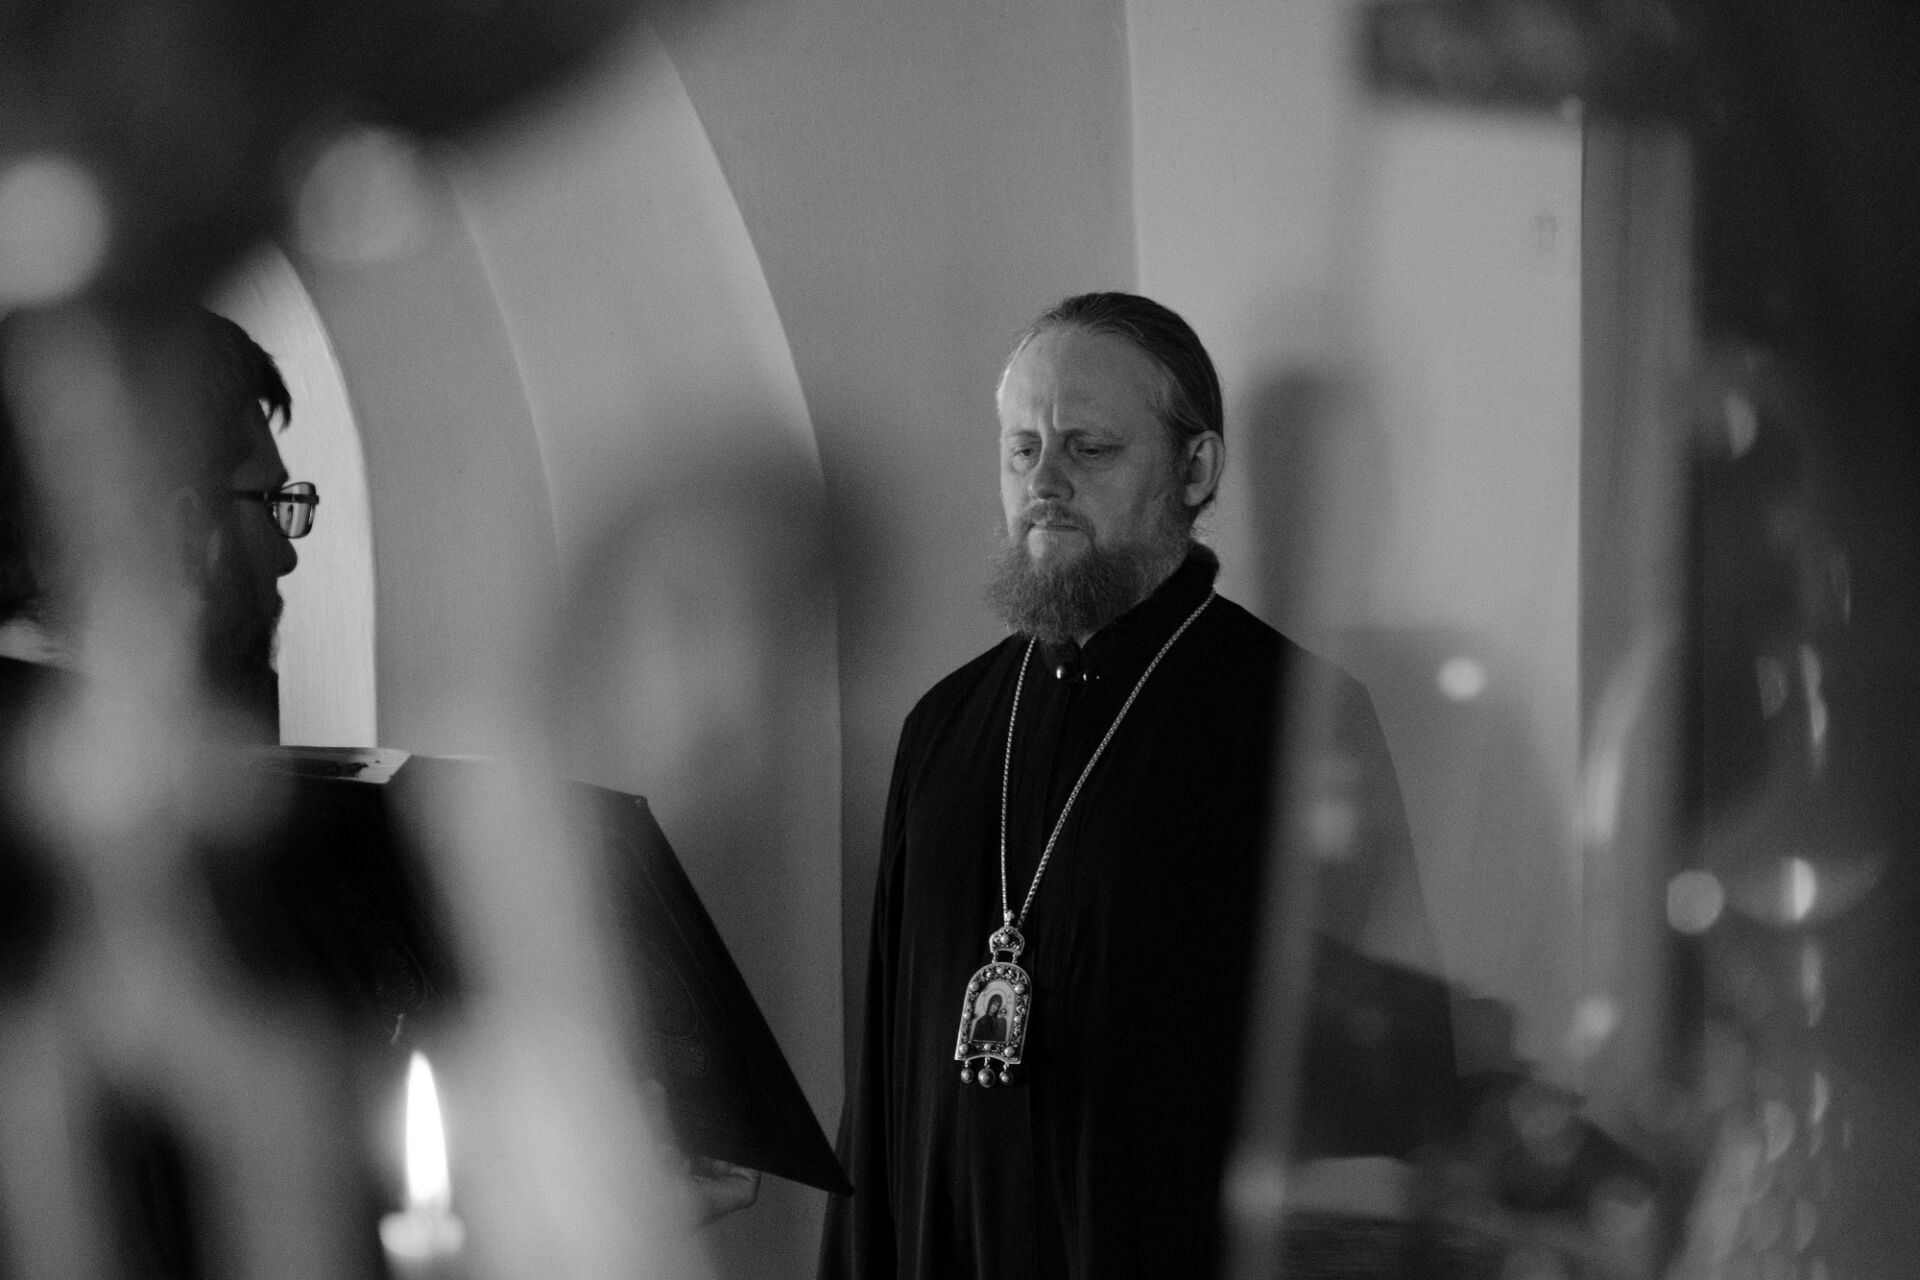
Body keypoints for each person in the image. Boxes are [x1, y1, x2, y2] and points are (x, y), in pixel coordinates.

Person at [819, 293, 1432, 1279]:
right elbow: (883, 1077)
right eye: (1023, 449)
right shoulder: (944, 726)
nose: (1045, 482)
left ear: (1196, 470)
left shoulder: (1295, 718)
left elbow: (1363, 1097)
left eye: (1089, 448)